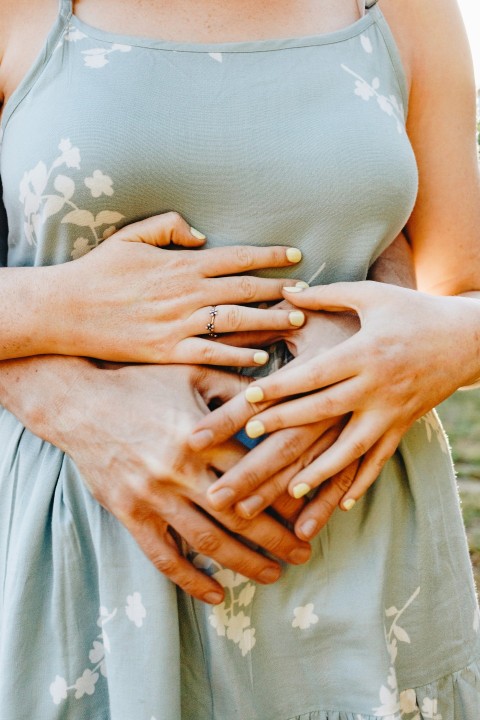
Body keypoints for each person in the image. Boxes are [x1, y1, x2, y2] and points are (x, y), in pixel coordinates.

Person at [0, 0, 479, 718]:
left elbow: (463, 285)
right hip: (83, 547)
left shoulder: (406, 10)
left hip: (359, 547)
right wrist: (66, 370)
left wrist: (420, 337)